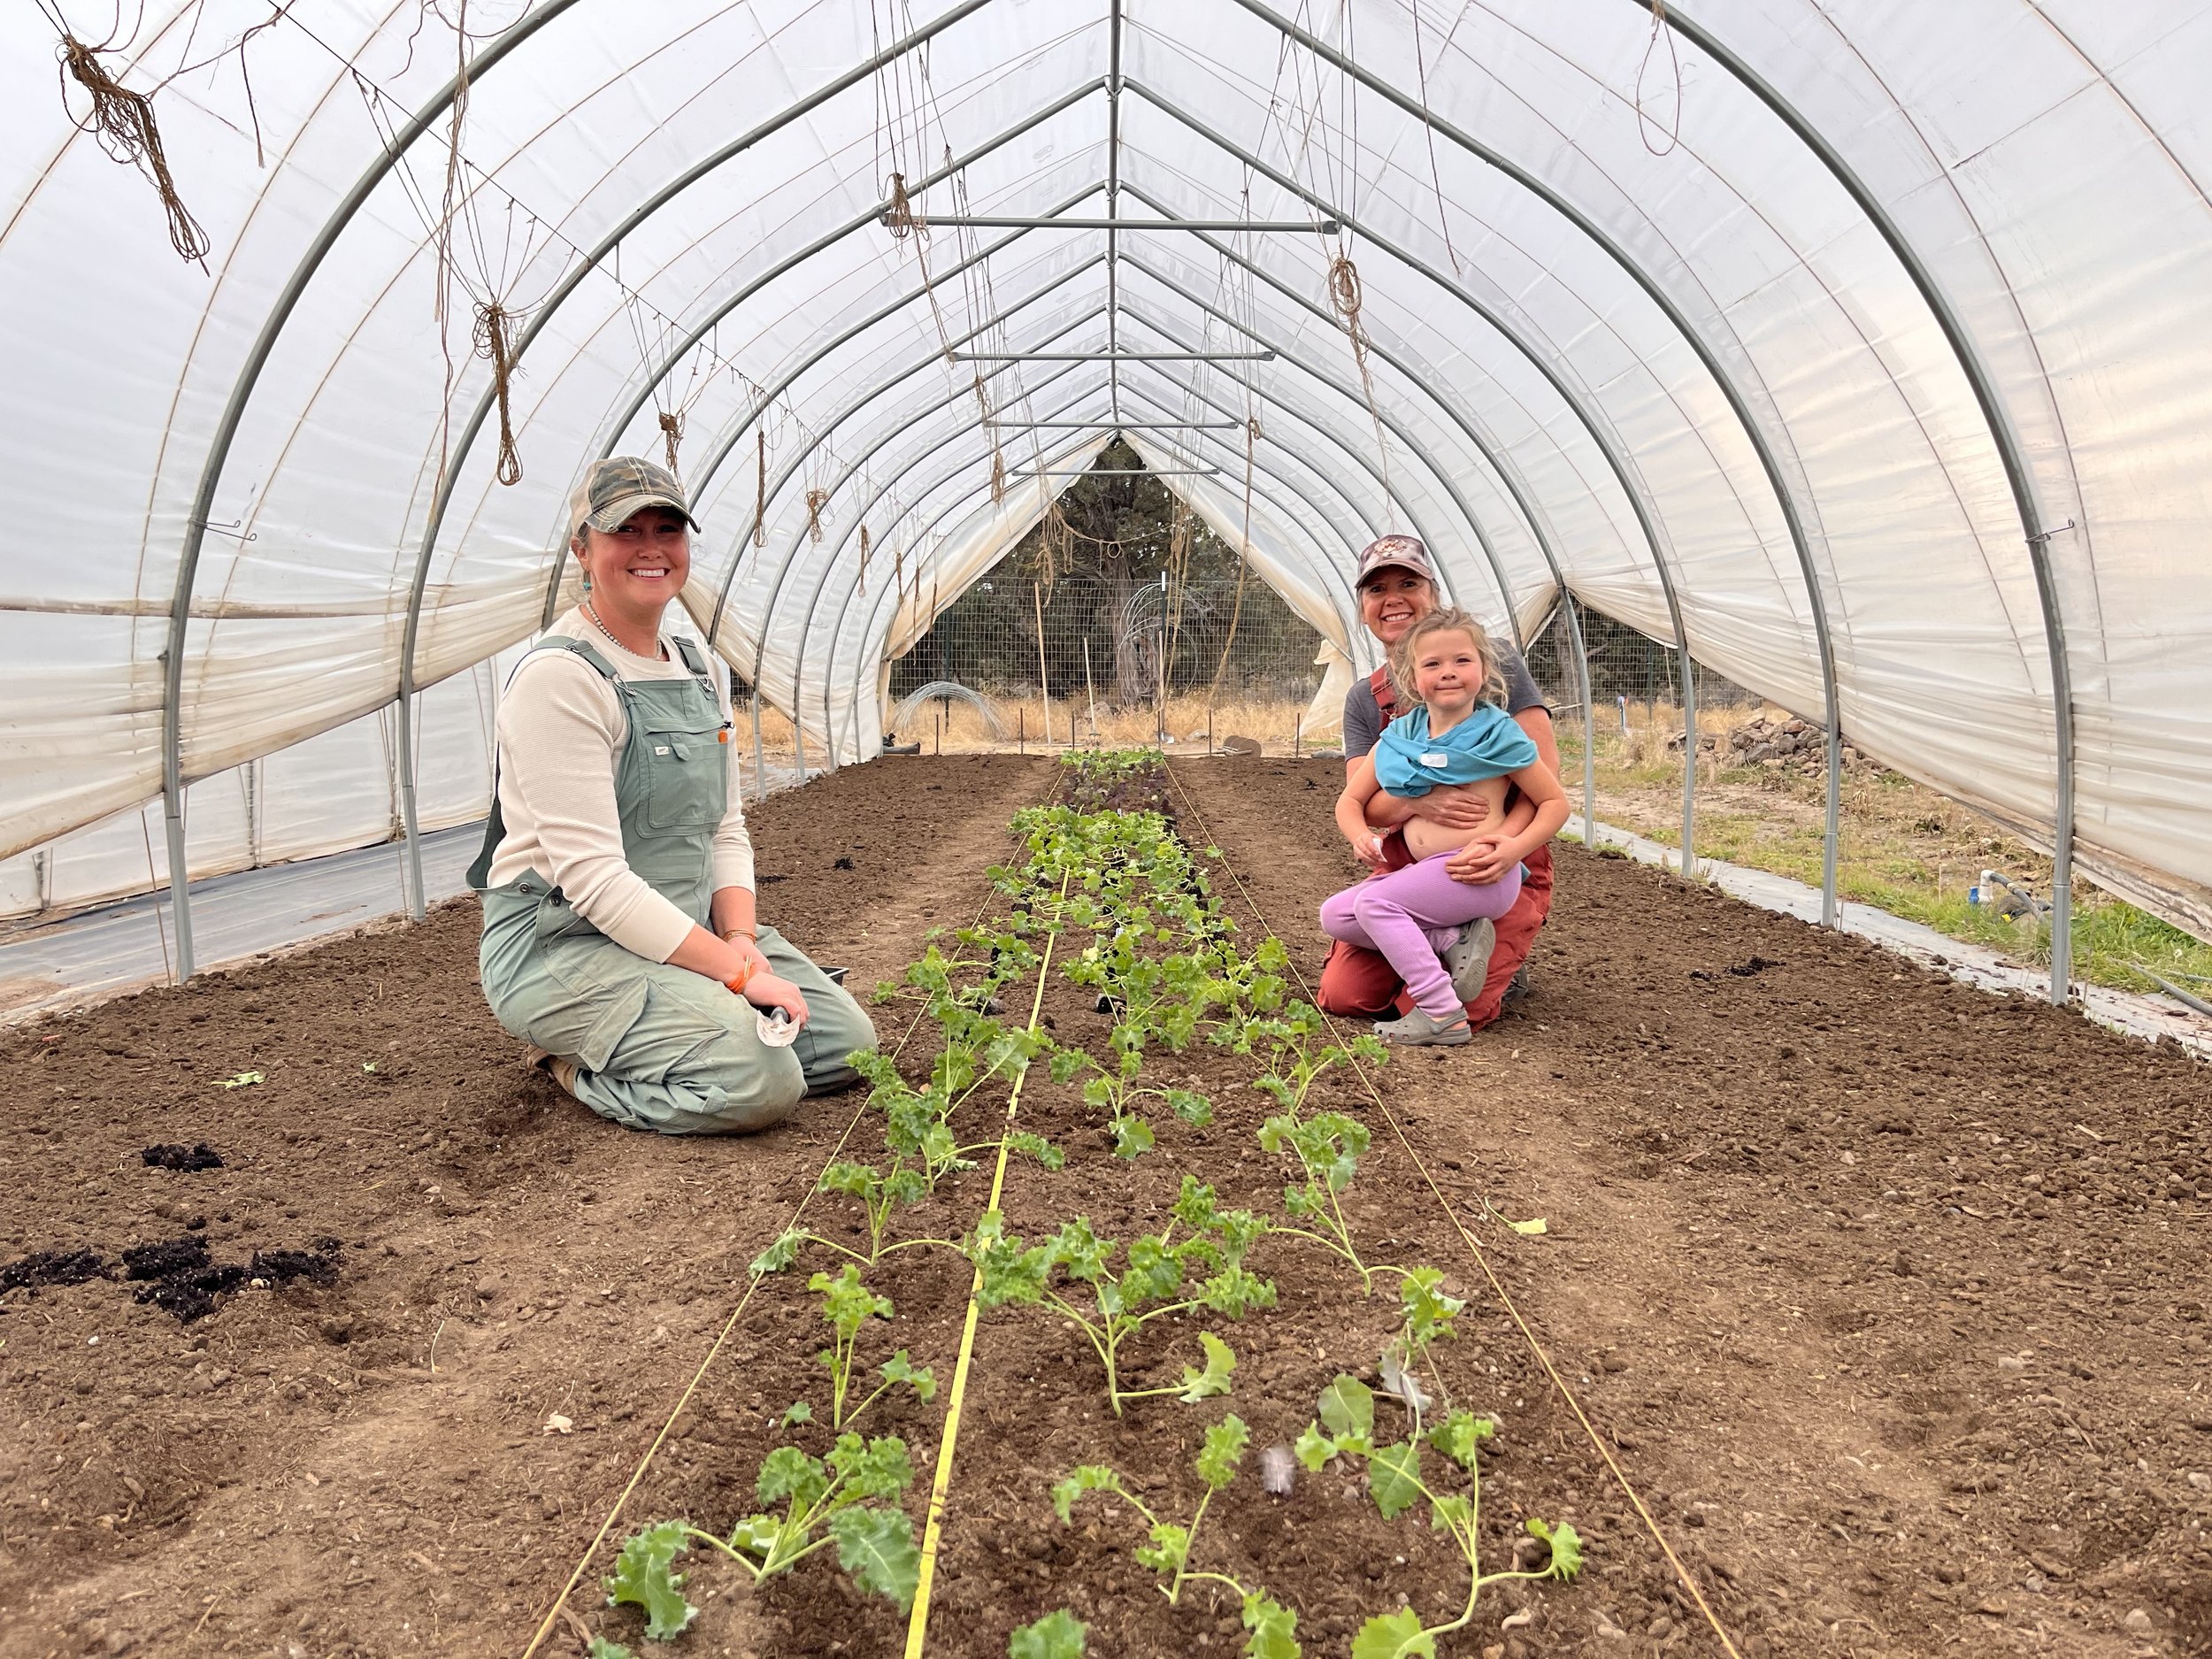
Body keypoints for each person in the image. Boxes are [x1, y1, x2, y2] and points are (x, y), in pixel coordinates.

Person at [468, 456, 876, 1133]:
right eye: (626, 530)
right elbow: (596, 882)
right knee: (762, 1077)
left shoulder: (695, 666)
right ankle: (569, 1063)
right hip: (566, 946)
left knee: (846, 1049)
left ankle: (686, 1009)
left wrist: (741, 939)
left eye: (668, 528)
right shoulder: (561, 678)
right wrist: (742, 979)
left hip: (687, 928)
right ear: (582, 549)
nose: (651, 547)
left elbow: (725, 828)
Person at [1318, 536, 1560, 1028]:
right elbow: (1367, 806)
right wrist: (1423, 800)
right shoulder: (1368, 699)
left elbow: (1547, 785)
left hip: (1489, 860)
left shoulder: (1491, 667)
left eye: (1409, 583)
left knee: (1444, 1005)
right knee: (1348, 998)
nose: (1393, 599)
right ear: (1363, 607)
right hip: (1411, 863)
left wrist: (1505, 845)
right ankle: (1449, 941)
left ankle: (1483, 964)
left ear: (1432, 591)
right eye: (1377, 589)